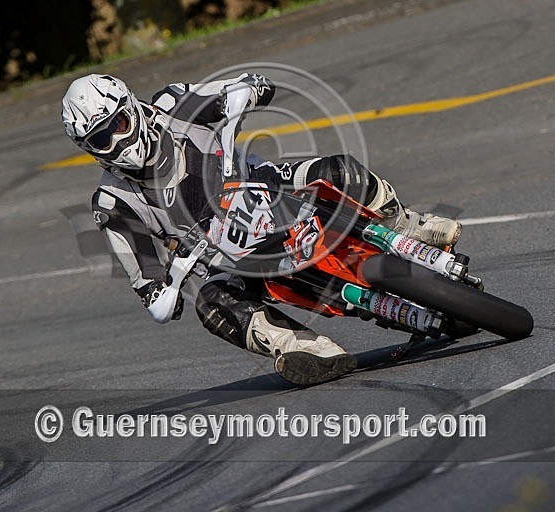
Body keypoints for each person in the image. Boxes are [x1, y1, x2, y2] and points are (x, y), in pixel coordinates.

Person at [61, 73, 461, 385]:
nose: (118, 142)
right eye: (101, 139)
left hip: (267, 185)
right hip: (229, 254)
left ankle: (409, 225)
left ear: (132, 107)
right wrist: (176, 271)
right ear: (89, 148)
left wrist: (243, 96)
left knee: (340, 170)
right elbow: (155, 299)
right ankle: (304, 347)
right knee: (211, 304)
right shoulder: (113, 204)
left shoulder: (173, 105)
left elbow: (249, 88)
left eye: (119, 125)